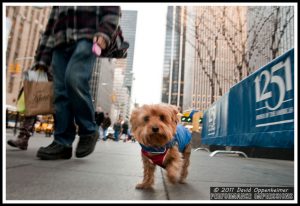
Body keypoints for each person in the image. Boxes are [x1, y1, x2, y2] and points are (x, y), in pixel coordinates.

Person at [33, 6, 123, 160]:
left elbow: (112, 9)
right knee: (60, 92)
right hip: (59, 42)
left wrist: (105, 32)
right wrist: (42, 57)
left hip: (88, 36)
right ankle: (62, 142)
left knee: (74, 79)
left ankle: (88, 130)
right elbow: (51, 23)